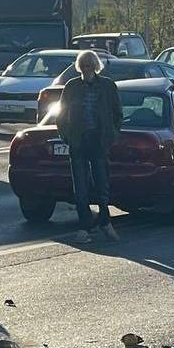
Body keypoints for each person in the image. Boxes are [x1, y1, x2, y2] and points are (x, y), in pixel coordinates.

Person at [56, 50, 122, 243]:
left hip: (99, 141)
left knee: (102, 183)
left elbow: (117, 113)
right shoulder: (72, 86)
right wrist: (66, 135)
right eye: (83, 65)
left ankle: (105, 221)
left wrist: (112, 135)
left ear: (95, 66)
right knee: (80, 187)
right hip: (78, 141)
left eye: (89, 65)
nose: (86, 69)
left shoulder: (108, 86)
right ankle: (84, 226)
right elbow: (61, 114)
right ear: (79, 67)